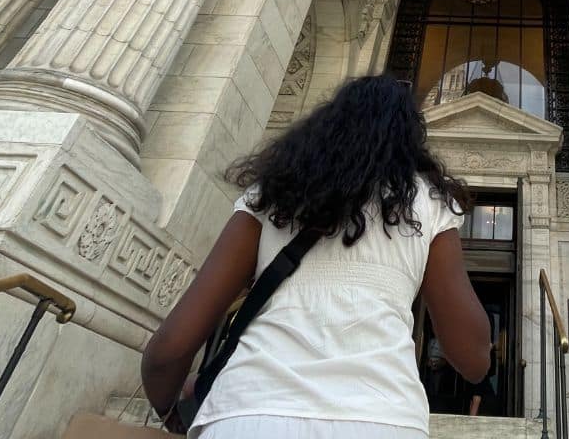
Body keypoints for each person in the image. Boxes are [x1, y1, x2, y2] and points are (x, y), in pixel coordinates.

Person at [141, 75, 491, 438]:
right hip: (383, 417)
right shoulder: (429, 202)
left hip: (248, 411)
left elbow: (169, 349)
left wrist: (172, 411)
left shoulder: (271, 195)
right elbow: (472, 356)